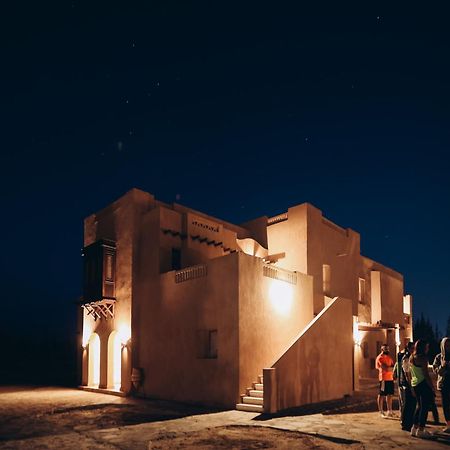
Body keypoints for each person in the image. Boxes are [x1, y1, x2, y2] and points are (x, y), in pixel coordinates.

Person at [409, 339, 436, 439]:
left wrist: (412, 386)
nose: (428, 349)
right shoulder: (423, 358)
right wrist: (432, 387)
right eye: (427, 347)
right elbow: (425, 374)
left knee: (419, 406)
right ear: (423, 348)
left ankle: (414, 428)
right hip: (423, 384)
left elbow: (411, 373)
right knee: (424, 408)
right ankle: (421, 430)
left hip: (415, 384)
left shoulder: (412, 357)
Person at [396, 342, 416, 431]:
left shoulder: (410, 357)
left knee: (411, 404)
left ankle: (408, 422)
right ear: (408, 348)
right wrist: (411, 386)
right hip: (406, 385)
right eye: (412, 348)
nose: (413, 350)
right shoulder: (406, 358)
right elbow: (407, 374)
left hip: (408, 384)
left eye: (414, 348)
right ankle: (405, 423)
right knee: (407, 404)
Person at [433, 337, 450, 433]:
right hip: (443, 384)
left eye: (449, 345)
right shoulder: (439, 357)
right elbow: (436, 371)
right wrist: (443, 366)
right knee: (446, 405)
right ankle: (448, 424)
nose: (448, 347)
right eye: (446, 345)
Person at [376, 344, 395, 418]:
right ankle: (381, 411)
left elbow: (393, 367)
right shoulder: (380, 358)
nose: (387, 350)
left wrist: (392, 369)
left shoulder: (389, 357)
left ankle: (389, 411)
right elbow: (386, 368)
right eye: (385, 349)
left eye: (388, 349)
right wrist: (392, 368)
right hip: (383, 379)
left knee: (390, 395)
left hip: (390, 378)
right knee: (381, 394)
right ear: (382, 349)